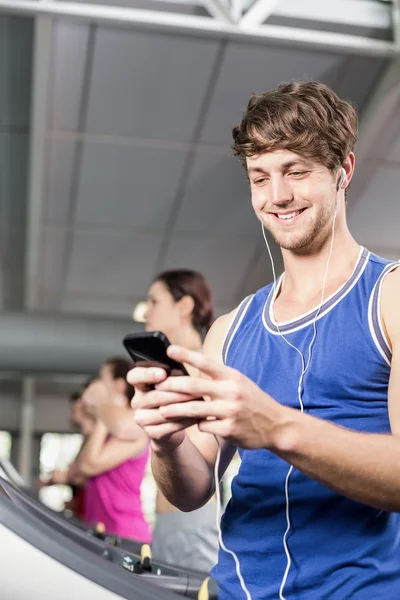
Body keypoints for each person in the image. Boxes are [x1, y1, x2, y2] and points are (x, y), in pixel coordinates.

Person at [129, 80, 400, 599]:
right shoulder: (230, 330)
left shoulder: (389, 297)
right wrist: (166, 440)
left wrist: (274, 427)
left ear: (343, 170)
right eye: (260, 177)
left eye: (296, 172)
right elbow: (191, 490)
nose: (277, 196)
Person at [84, 269, 220, 572]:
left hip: (194, 524)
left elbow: (127, 425)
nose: (147, 310)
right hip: (168, 522)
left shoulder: (204, 364)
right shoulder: (174, 369)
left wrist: (102, 400)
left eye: (154, 301)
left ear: (184, 307)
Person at [78, 357, 151, 543]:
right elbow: (78, 470)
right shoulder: (109, 431)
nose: (97, 385)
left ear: (119, 385)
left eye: (103, 379)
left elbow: (89, 464)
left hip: (125, 533)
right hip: (101, 529)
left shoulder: (133, 425)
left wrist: (104, 410)